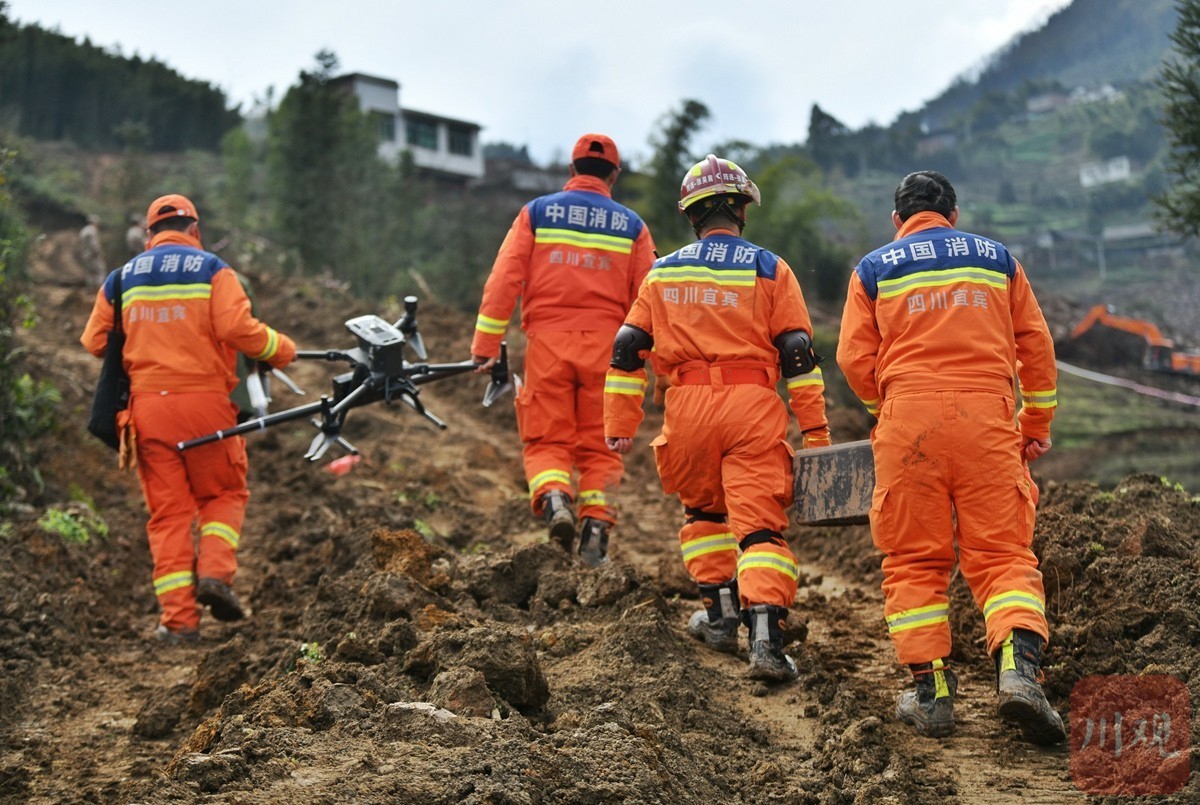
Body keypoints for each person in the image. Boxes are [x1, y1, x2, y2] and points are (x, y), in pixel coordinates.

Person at [836, 170, 1065, 744]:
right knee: (1003, 555)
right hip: (987, 419)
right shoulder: (997, 260)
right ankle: (1017, 673)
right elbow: (1035, 346)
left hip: (908, 420)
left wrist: (887, 408)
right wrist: (1035, 423)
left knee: (914, 561)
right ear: (954, 215)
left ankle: (932, 694)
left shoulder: (873, 269)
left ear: (897, 220)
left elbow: (852, 358)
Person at [603, 155, 830, 681]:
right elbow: (797, 352)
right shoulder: (770, 268)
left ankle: (721, 619)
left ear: (691, 215)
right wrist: (815, 431)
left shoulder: (662, 272)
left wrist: (619, 424)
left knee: (704, 514)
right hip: (751, 408)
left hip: (687, 408)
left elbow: (628, 347)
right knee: (758, 528)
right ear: (741, 210)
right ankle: (766, 642)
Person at [81, 194, 297, 645]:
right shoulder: (214, 270)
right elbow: (238, 330)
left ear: (149, 234)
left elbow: (95, 342)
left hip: (148, 413)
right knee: (223, 493)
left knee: (169, 515)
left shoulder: (121, 278)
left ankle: (178, 623)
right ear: (194, 230)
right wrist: (281, 349)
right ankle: (215, 574)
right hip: (206, 408)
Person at [471, 133, 657, 566]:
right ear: (614, 175)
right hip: (610, 353)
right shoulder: (632, 226)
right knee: (602, 445)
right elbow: (650, 298)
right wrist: (661, 366)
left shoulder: (537, 213)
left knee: (546, 437)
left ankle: (556, 497)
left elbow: (504, 280)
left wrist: (485, 345)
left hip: (548, 346)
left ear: (571, 170)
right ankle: (596, 529)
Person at [79, 214, 107, 285]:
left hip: (86, 254)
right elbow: (94, 244)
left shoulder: (84, 230)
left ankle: (90, 286)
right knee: (100, 270)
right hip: (94, 255)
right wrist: (99, 252)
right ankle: (99, 286)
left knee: (89, 272)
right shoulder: (93, 230)